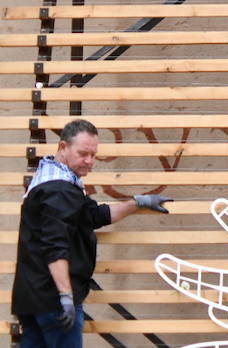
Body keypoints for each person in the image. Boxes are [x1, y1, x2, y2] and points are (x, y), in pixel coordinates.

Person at [12, 120, 171, 348]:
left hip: (35, 297)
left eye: (93, 155)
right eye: (83, 153)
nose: (89, 161)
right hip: (54, 300)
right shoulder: (59, 190)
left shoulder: (54, 181)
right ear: (63, 147)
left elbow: (94, 215)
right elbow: (54, 248)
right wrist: (66, 297)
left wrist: (138, 202)